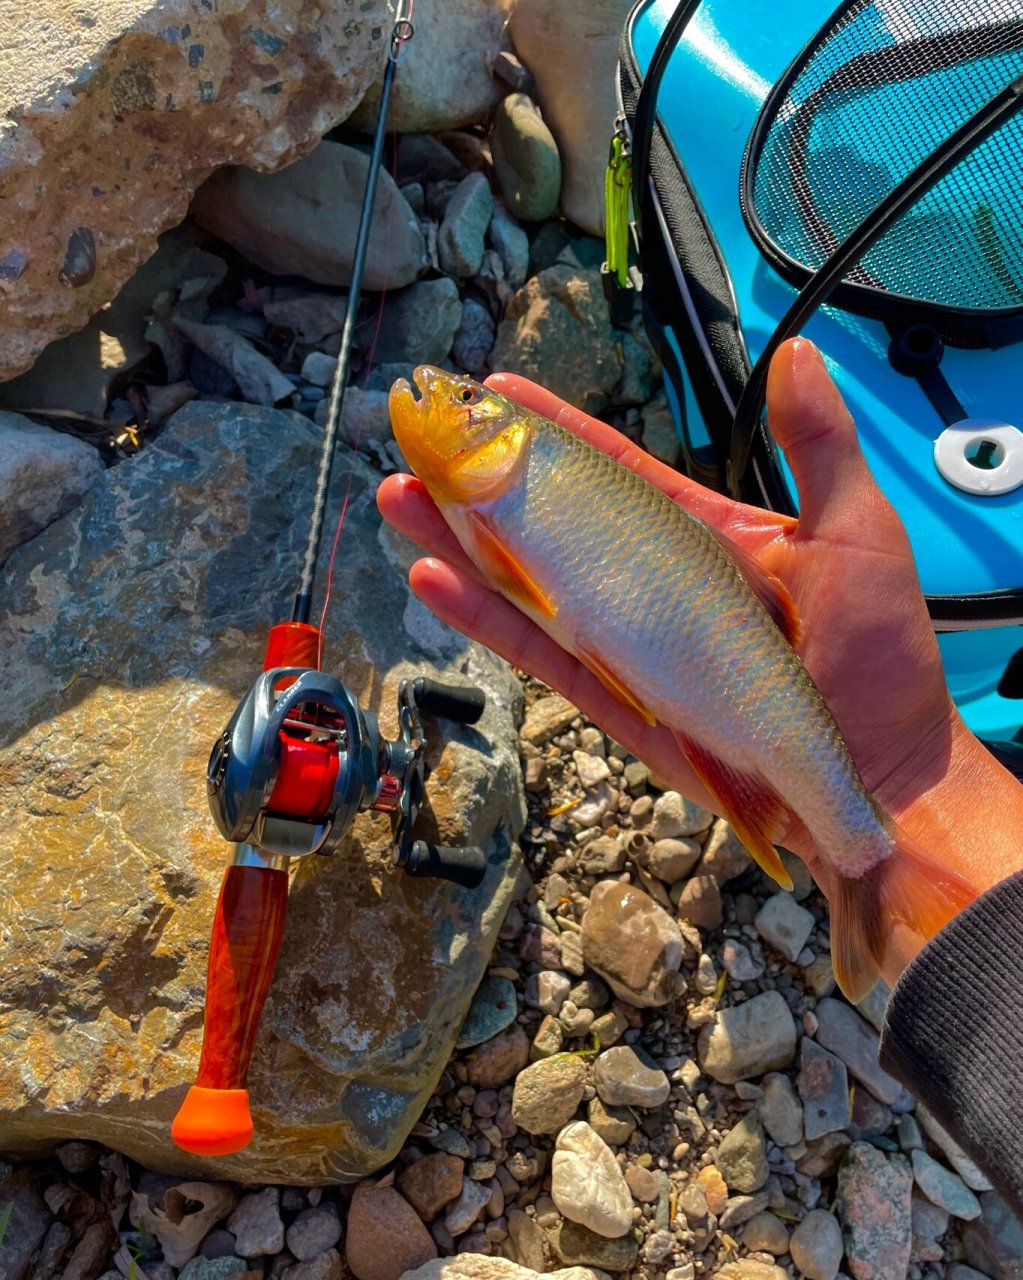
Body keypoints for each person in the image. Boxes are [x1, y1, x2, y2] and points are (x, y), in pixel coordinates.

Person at [377, 337, 1023, 1218]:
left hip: (723, 681)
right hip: (692, 677)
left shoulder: (513, 480)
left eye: (461, 401)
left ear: (502, 434)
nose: (437, 395)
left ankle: (873, 861)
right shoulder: (493, 493)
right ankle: (886, 873)